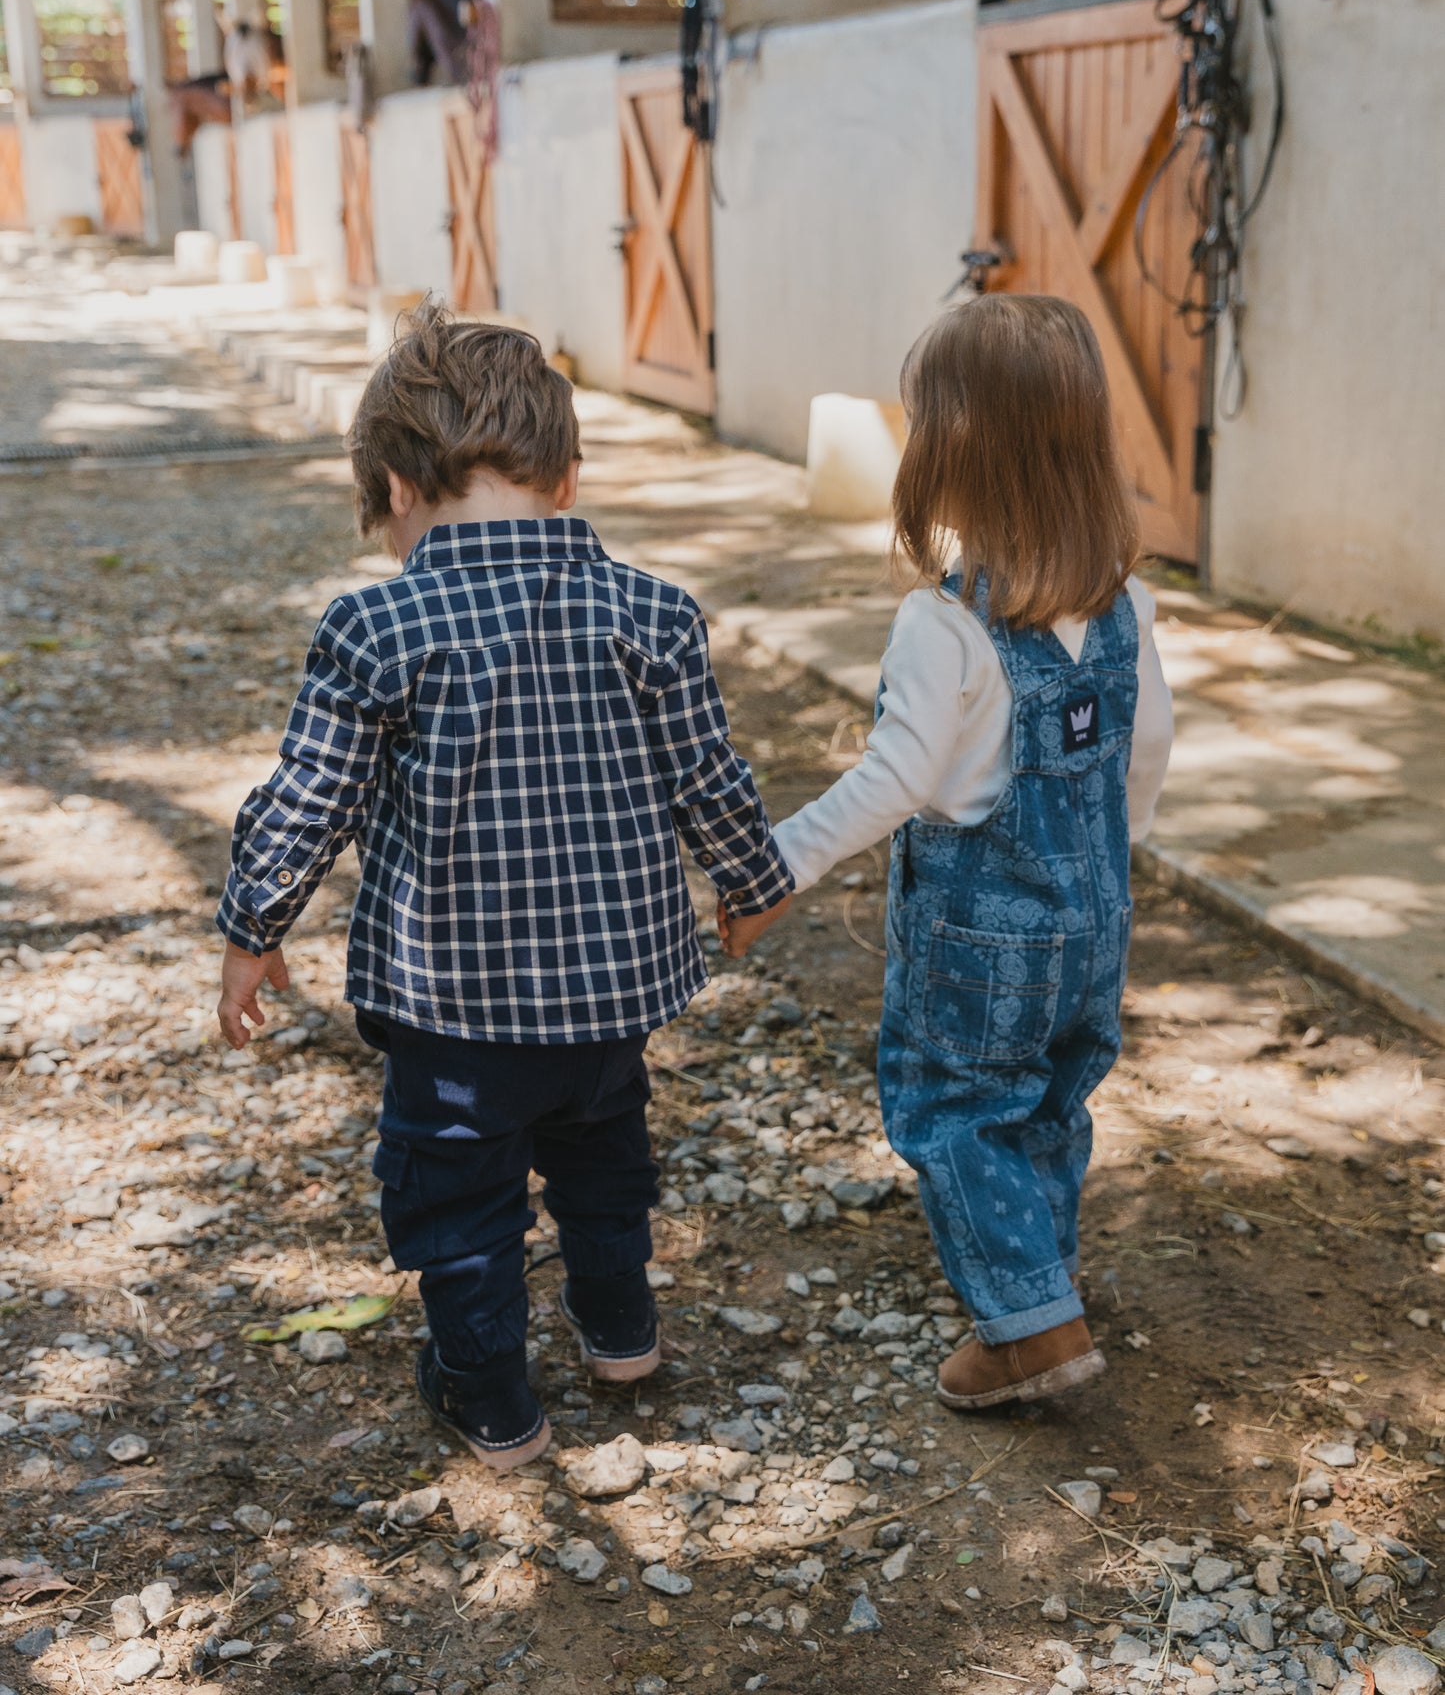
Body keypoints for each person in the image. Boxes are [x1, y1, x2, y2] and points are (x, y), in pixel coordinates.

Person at [214, 303, 792, 1470]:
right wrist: (749, 878)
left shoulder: (378, 624)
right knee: (604, 1155)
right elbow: (708, 774)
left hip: (455, 1011)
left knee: (460, 1202)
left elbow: (307, 797)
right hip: (612, 995)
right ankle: (621, 1333)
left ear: (393, 485)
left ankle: (492, 1401)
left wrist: (252, 922)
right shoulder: (651, 612)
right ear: (567, 477)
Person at [726, 295, 1172, 1410]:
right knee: (1051, 1099)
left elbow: (896, 779)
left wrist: (772, 865)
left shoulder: (945, 621)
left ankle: (1032, 1326)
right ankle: (1040, 1278)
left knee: (952, 1104)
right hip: (1092, 922)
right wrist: (1109, 871)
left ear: (949, 454)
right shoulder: (1128, 608)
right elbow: (1146, 755)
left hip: (977, 934)